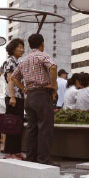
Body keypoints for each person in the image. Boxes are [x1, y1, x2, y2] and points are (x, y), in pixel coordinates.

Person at [10, 33, 58, 165]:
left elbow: (13, 77)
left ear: (30, 45)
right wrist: (54, 85)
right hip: (42, 95)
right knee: (45, 128)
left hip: (29, 96)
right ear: (42, 44)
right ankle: (43, 159)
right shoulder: (43, 55)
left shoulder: (24, 60)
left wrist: (23, 88)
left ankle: (31, 158)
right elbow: (53, 67)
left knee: (32, 128)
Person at [3, 38, 26, 159]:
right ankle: (9, 152)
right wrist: (12, 97)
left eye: (23, 47)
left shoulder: (18, 62)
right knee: (12, 125)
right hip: (13, 97)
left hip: (19, 97)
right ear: (13, 48)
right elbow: (10, 79)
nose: (22, 49)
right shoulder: (10, 61)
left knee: (18, 125)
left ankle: (16, 151)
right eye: (20, 47)